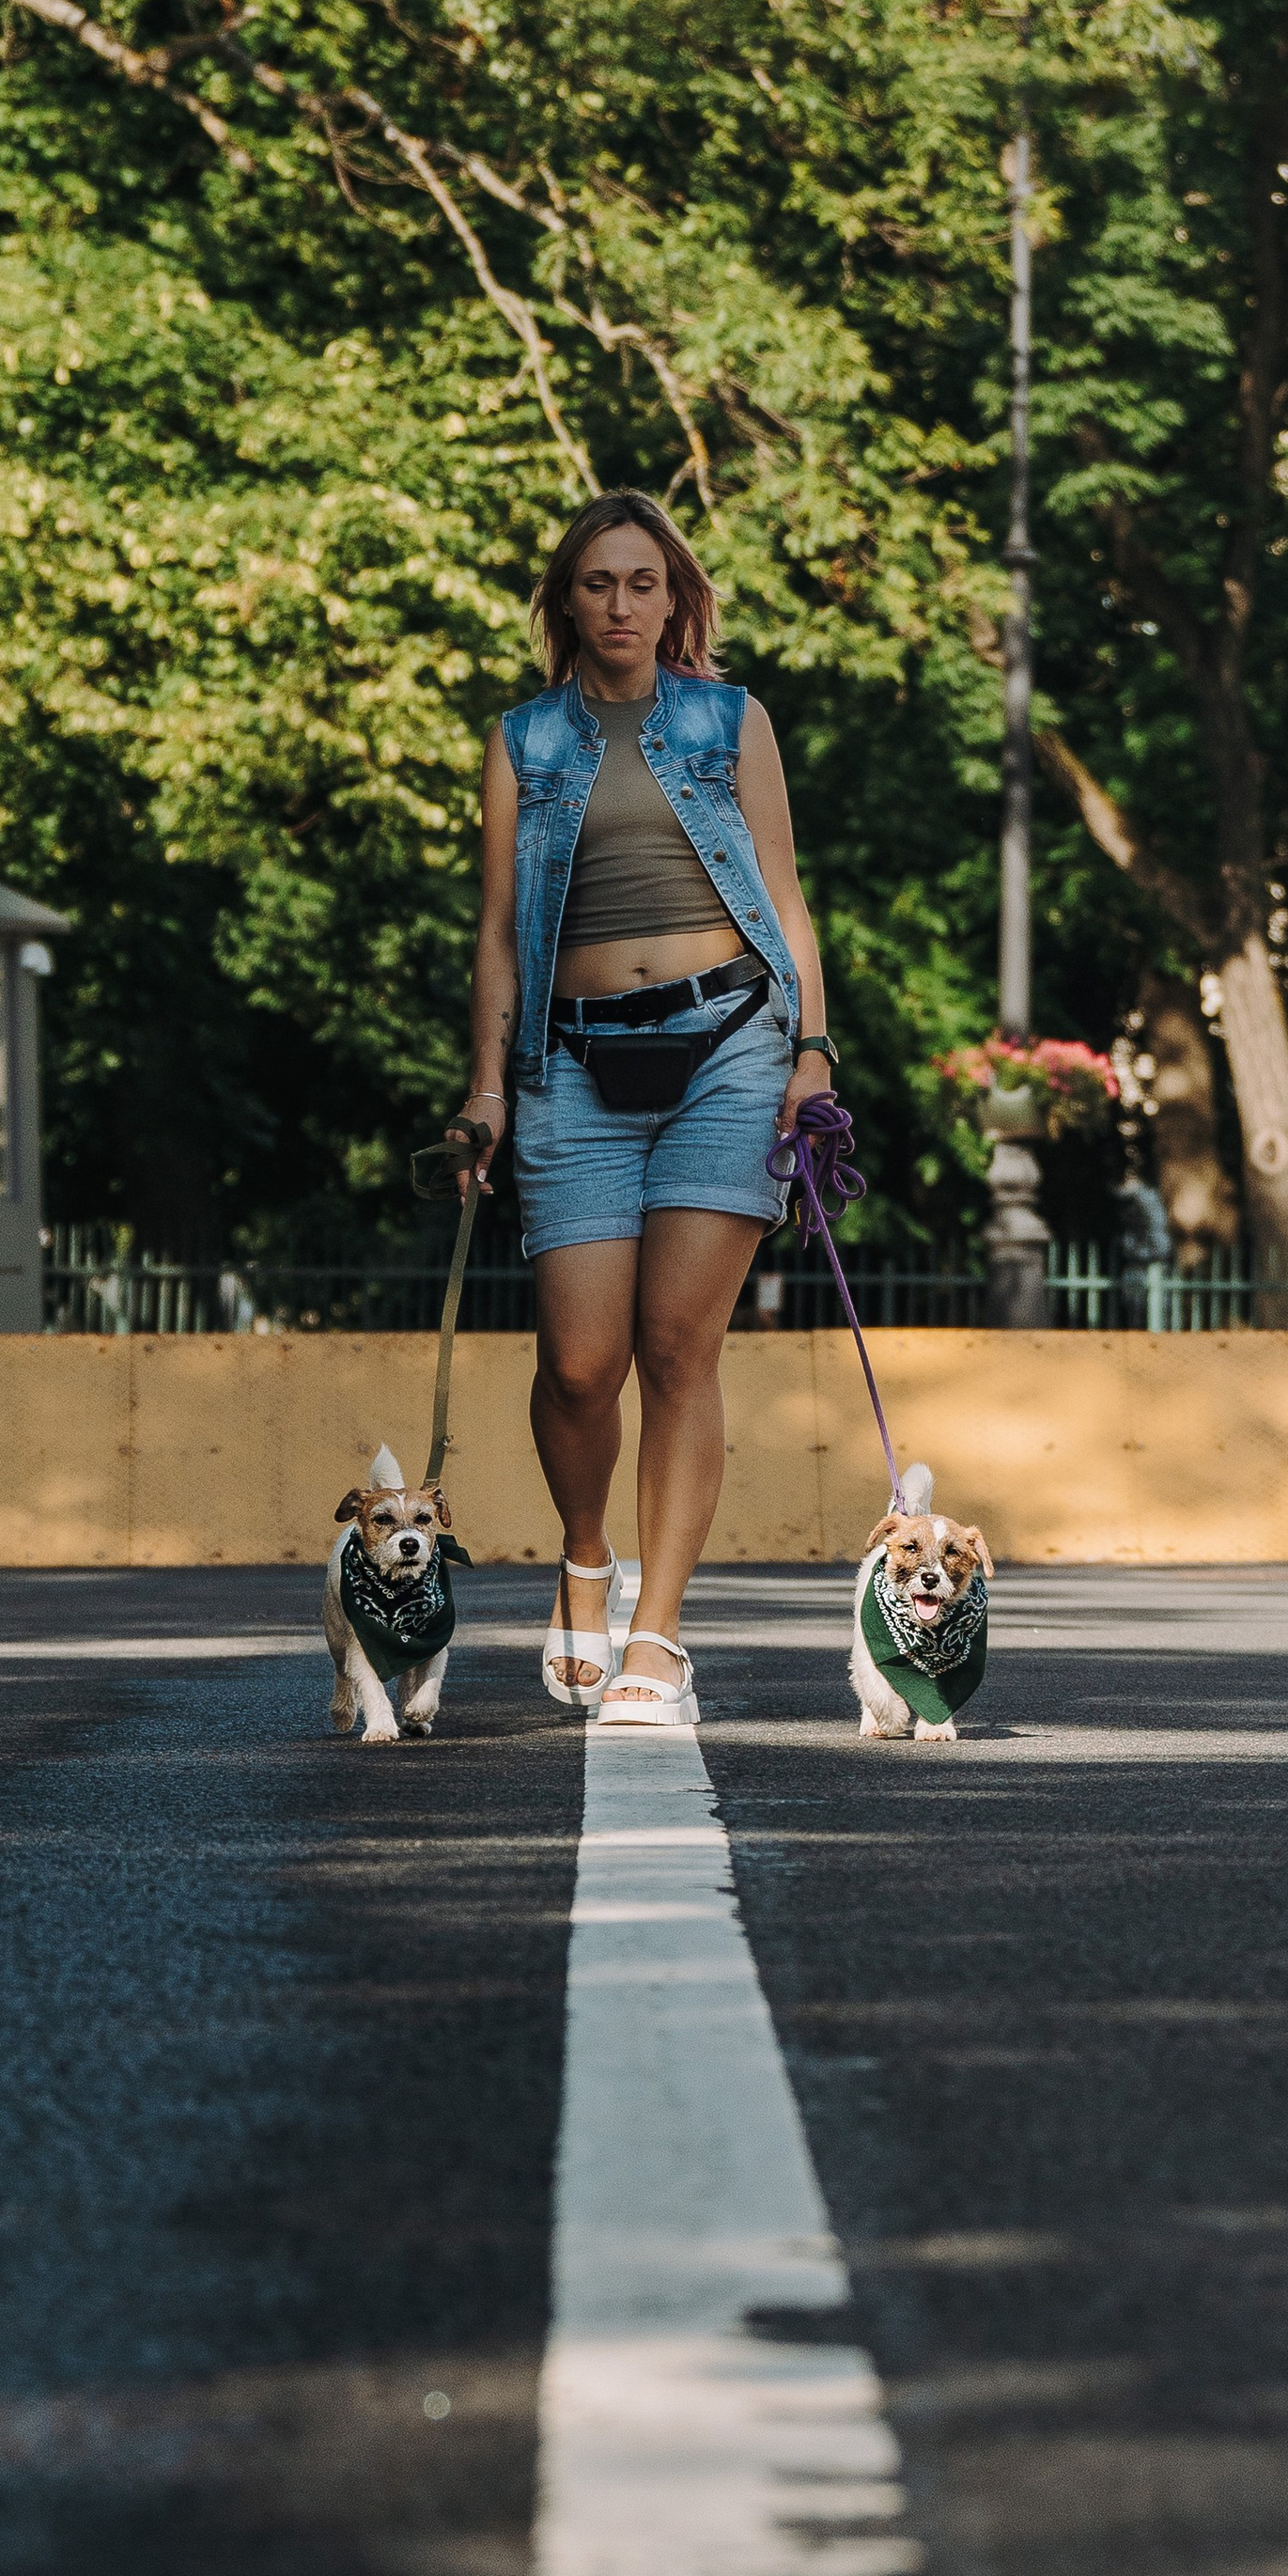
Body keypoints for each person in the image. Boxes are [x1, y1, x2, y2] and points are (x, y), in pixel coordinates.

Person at [453, 491, 832, 1723]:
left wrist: (811, 1054)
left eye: (642, 581)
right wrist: (483, 1089)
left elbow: (784, 892)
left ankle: (658, 1638)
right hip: (569, 1064)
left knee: (678, 1346)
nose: (620, 603)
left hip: (729, 1043)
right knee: (578, 1362)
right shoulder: (523, 741)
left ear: (676, 599)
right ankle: (584, 1559)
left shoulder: (733, 720)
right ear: (567, 601)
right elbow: (501, 938)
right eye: (598, 583)